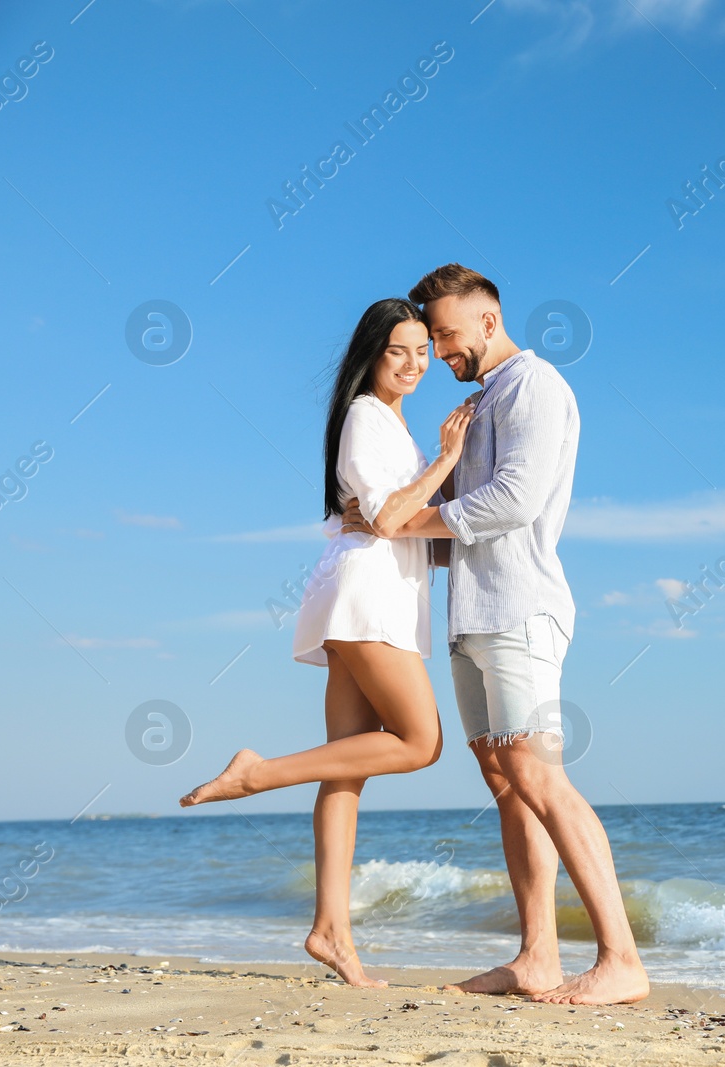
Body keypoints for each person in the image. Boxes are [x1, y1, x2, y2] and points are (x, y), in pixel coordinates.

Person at [341, 264, 650, 1005]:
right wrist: (383, 524)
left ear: (488, 320)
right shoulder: (479, 405)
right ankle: (537, 955)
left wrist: (407, 521)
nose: (439, 354)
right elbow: (449, 533)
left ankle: (621, 958)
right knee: (505, 781)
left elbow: (513, 501)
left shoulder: (536, 386)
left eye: (446, 335)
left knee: (537, 771)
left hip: (521, 609)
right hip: (470, 614)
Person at [179, 297, 473, 989]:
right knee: (421, 741)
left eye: (423, 352)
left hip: (365, 592)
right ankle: (256, 771)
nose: (414, 364)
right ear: (370, 354)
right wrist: (448, 460)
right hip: (366, 600)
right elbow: (390, 515)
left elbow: (393, 522)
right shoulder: (367, 420)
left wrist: (425, 502)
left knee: (346, 769)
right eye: (399, 350)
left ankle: (331, 929)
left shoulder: (389, 426)